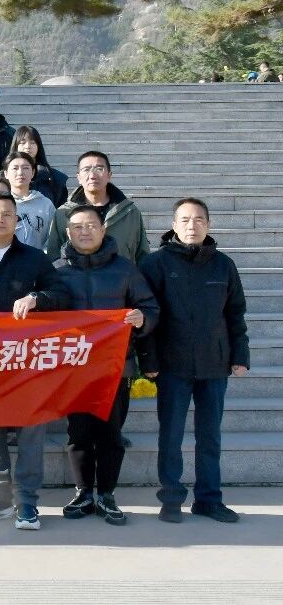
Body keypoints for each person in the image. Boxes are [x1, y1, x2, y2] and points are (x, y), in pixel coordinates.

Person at [140, 199, 249, 524]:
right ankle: (171, 499)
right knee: (171, 435)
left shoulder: (223, 265)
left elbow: (235, 313)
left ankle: (209, 499)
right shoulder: (155, 264)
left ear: (208, 225)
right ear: (174, 225)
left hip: (214, 363)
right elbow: (147, 317)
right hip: (171, 365)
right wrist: (149, 360)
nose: (192, 225)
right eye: (185, 220)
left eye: (199, 219)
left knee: (210, 436)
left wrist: (240, 355)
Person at [0, 192, 69, 532]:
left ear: (17, 219)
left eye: (7, 213)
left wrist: (37, 297)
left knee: (31, 431)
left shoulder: (35, 259)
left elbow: (61, 295)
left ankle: (27, 500)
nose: (0, 219)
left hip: (28, 362)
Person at [54, 205, 159, 525]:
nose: (84, 231)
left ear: (103, 230)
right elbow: (45, 311)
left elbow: (150, 307)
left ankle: (107, 494)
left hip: (115, 368)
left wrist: (142, 318)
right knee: (78, 434)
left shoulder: (125, 269)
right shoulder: (56, 271)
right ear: (67, 232)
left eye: (91, 225)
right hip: (73, 370)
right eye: (77, 226)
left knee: (110, 435)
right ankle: (84, 492)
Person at [45, 151, 150, 263]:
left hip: (122, 274)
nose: (92, 176)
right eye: (86, 169)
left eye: (99, 169)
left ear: (109, 175)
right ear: (78, 177)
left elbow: (143, 257)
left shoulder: (130, 212)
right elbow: (53, 256)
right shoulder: (63, 213)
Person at [3, 152, 56, 249]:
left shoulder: (45, 204)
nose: (20, 173)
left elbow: (52, 239)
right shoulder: (1, 203)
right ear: (6, 174)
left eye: (25, 168)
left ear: (33, 173)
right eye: (15, 168)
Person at [10, 125, 68, 207]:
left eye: (33, 142)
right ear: (16, 146)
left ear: (38, 146)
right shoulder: (3, 177)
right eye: (22, 143)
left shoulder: (55, 179)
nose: (28, 146)